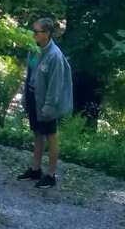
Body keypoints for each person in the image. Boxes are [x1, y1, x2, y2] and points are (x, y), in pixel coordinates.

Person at [16, 17, 73, 188]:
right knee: (37, 133)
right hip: (34, 97)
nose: (33, 34)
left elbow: (55, 86)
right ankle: (35, 170)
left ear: (47, 34)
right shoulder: (34, 50)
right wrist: (26, 97)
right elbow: (30, 74)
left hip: (47, 103)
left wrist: (48, 107)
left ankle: (51, 175)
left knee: (51, 136)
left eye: (36, 32)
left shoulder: (55, 56)